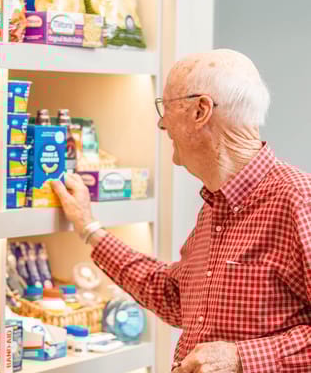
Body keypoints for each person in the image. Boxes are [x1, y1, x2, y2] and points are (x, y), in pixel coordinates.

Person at [51, 49, 311, 373]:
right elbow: (175, 296)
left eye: (167, 108)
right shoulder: (215, 207)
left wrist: (241, 358)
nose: (162, 123)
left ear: (201, 110)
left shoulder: (299, 201)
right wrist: (90, 229)